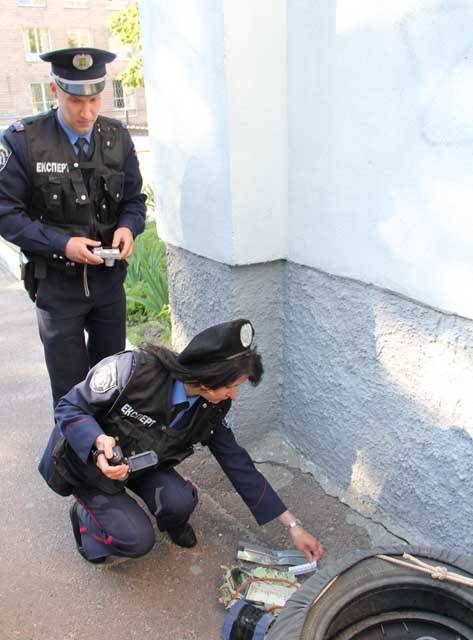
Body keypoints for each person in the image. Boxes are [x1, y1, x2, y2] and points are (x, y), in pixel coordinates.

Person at [39, 319, 324, 565]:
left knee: (180, 501)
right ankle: (86, 520)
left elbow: (237, 462)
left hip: (142, 464)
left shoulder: (211, 407)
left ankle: (170, 521)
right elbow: (69, 407)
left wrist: (293, 526)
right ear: (207, 379)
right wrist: (97, 442)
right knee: (137, 540)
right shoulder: (133, 371)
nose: (234, 395)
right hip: (90, 467)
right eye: (230, 387)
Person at [0, 47, 146, 407]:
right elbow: (6, 214)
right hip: (56, 286)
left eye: (94, 100)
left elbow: (134, 200)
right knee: (70, 394)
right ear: (55, 90)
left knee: (113, 384)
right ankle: (72, 446)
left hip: (107, 283)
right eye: (75, 101)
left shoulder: (117, 137)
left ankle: (108, 444)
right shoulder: (23, 141)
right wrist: (62, 244)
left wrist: (128, 227)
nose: (87, 112)